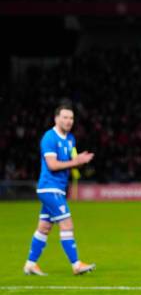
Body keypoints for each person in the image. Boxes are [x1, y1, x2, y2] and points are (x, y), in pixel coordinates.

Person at [23, 103, 96, 276]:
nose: (69, 121)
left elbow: (70, 161)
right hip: (49, 188)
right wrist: (75, 162)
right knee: (67, 224)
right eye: (65, 117)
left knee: (44, 228)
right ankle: (76, 265)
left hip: (59, 189)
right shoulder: (49, 138)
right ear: (56, 118)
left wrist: (79, 161)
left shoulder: (71, 139)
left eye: (71, 118)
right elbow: (53, 165)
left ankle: (30, 264)